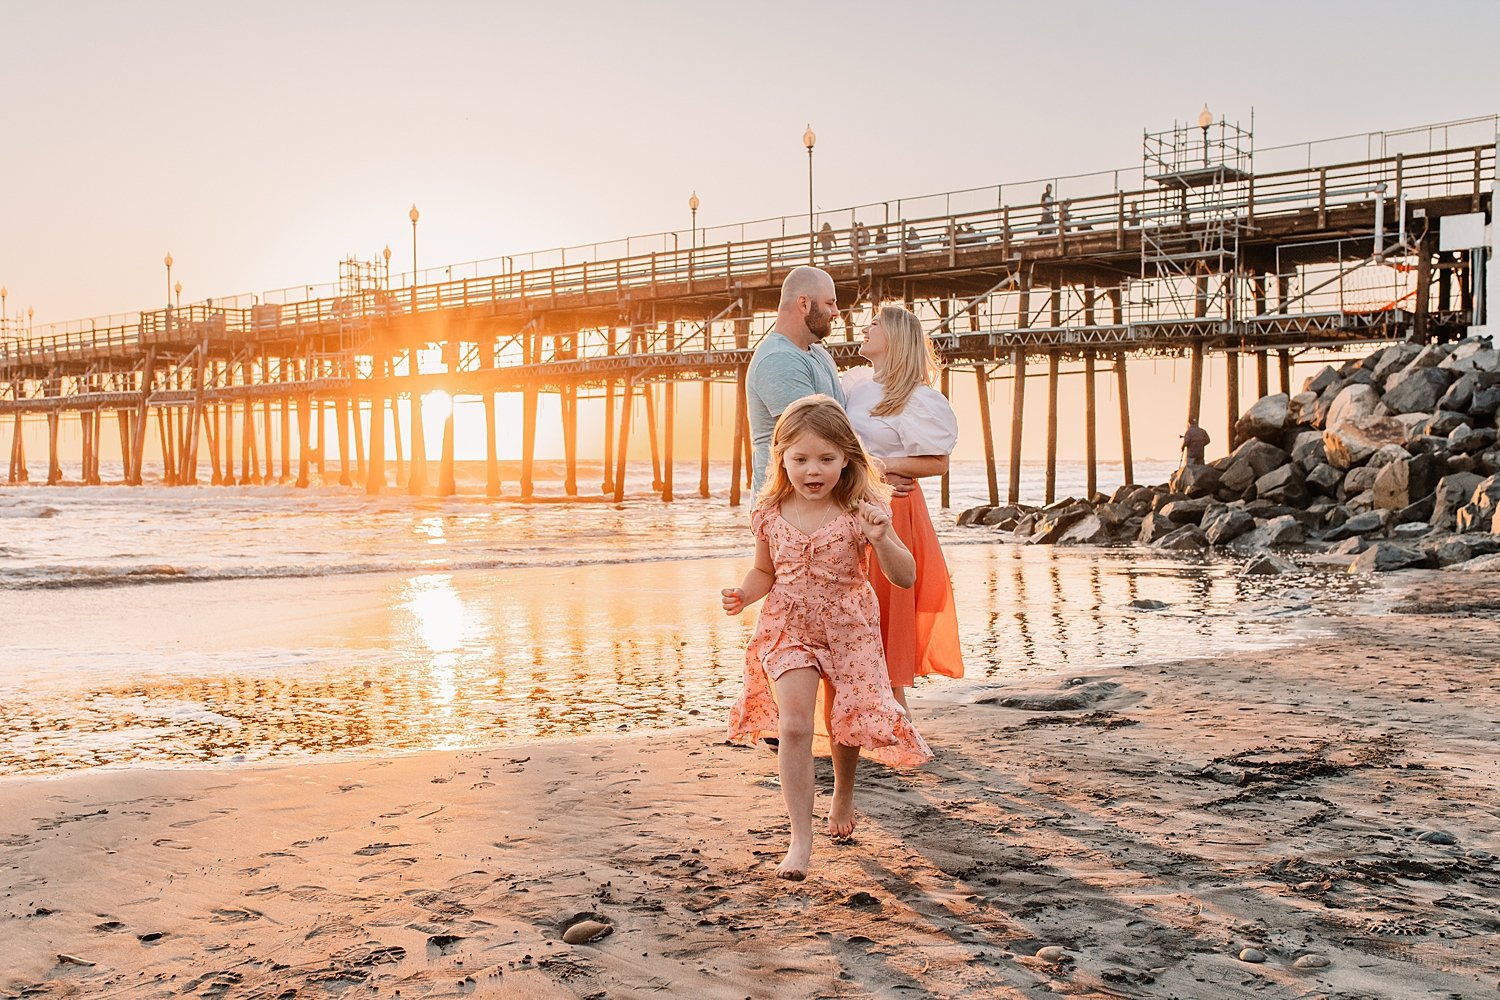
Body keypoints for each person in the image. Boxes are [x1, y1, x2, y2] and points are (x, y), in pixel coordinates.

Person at [725, 396, 931, 881]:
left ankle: (842, 793)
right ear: (782, 459)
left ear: (846, 458)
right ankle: (800, 837)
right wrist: (743, 594)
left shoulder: (863, 508)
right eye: (799, 459)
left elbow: (905, 576)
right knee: (794, 726)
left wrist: (881, 538)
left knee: (847, 721)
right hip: (788, 625)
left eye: (825, 459)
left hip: (848, 629)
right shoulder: (771, 510)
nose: (811, 470)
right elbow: (763, 571)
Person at [842, 306, 963, 711]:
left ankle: (897, 716)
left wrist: (881, 467)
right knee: (855, 604)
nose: (864, 326)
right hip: (852, 503)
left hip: (893, 507)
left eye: (874, 323)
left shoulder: (917, 397)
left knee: (885, 606)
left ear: (895, 336)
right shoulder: (855, 383)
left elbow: (937, 462)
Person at [746, 266, 844, 494]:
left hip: (818, 502)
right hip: (786, 509)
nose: (837, 312)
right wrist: (883, 470)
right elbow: (815, 434)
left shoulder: (819, 353)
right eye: (830, 303)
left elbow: (844, 424)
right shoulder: (778, 358)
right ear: (804, 304)